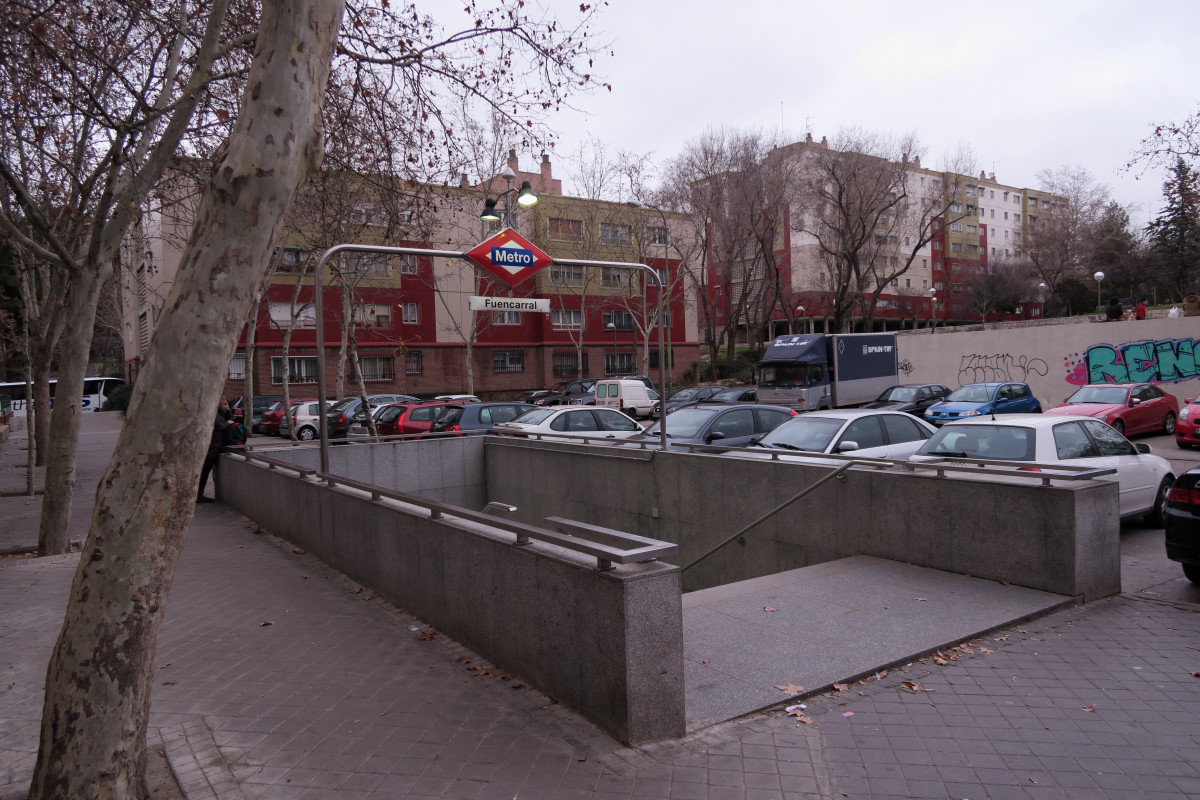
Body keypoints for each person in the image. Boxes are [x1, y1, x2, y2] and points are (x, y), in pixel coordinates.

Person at [198, 397, 232, 503]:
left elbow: (226, 419)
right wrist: (227, 424)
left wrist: (228, 411)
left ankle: (199, 493)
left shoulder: (220, 414)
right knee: (204, 472)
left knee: (205, 472)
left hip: (215, 445)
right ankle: (199, 494)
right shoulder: (215, 415)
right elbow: (218, 426)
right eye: (225, 404)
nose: (227, 406)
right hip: (213, 446)